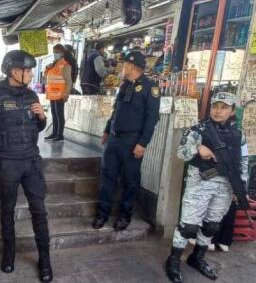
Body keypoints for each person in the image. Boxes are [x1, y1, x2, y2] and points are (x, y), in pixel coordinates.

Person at [0, 50, 52, 282]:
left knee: (39, 210)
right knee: (7, 210)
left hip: (31, 162)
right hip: (7, 163)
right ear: (13, 71)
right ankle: (9, 252)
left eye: (31, 70)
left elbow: (36, 129)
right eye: (27, 70)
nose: (31, 74)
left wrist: (42, 118)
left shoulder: (32, 96)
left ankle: (45, 259)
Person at [165, 92, 249, 283]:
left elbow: (243, 162)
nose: (218, 111)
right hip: (200, 184)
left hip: (225, 187)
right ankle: (173, 260)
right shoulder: (198, 130)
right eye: (215, 106)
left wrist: (240, 188)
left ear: (232, 111)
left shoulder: (239, 135)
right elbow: (181, 153)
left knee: (212, 225)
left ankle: (197, 258)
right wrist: (198, 148)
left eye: (224, 107)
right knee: (188, 227)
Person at [92, 51, 161, 231]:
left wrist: (143, 143)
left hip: (133, 142)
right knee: (107, 178)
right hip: (114, 139)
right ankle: (102, 214)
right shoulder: (124, 86)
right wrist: (107, 131)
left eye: (124, 65)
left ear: (131, 66)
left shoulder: (150, 87)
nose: (122, 68)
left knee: (130, 180)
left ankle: (124, 216)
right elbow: (116, 111)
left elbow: (152, 118)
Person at [44, 44, 73, 142]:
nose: (55, 54)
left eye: (57, 52)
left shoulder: (65, 65)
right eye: (54, 52)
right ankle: (54, 133)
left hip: (60, 94)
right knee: (54, 114)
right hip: (52, 94)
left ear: (62, 53)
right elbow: (47, 76)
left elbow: (69, 82)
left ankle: (60, 135)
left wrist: (66, 93)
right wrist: (47, 68)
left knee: (59, 115)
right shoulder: (54, 64)